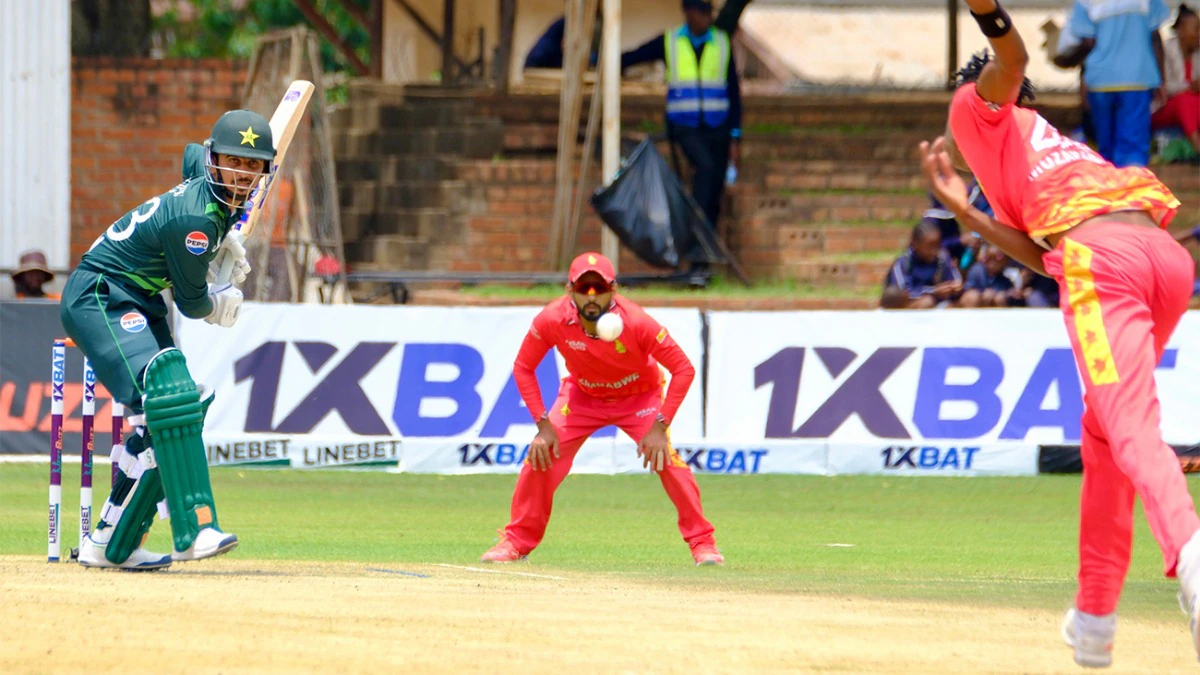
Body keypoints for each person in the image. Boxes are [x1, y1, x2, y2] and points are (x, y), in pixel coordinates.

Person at [918, 0, 1200, 666]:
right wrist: (969, 217)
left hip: (1103, 264)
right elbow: (1041, 252)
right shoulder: (1048, 150)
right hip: (1162, 259)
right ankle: (1094, 619)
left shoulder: (977, 110)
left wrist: (987, 11)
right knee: (1103, 432)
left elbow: (1011, 58)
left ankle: (1190, 552)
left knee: (1129, 428)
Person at [60, 110, 271, 570]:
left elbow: (190, 154)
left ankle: (110, 543)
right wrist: (219, 300)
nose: (243, 174)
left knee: (176, 407)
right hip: (100, 295)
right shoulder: (196, 221)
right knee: (167, 395)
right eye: (234, 162)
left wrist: (225, 242)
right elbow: (193, 304)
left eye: (253, 165)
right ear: (216, 161)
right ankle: (193, 530)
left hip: (139, 298)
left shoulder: (209, 188)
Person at [480, 252, 723, 566]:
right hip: (583, 396)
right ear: (570, 290)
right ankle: (516, 542)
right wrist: (543, 425)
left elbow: (683, 369)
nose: (592, 296)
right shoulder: (552, 319)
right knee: (540, 455)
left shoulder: (637, 322)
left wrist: (660, 427)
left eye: (600, 288)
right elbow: (523, 367)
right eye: (584, 289)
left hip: (639, 397)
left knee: (668, 462)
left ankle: (703, 543)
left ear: (614, 290)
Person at [621, 0, 742, 284]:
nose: (706, 18)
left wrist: (735, 136)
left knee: (713, 190)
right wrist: (599, 60)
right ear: (688, 13)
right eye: (701, 13)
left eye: (709, 13)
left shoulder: (721, 42)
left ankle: (702, 261)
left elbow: (734, 92)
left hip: (718, 127)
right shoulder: (671, 41)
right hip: (685, 126)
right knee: (706, 170)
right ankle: (694, 245)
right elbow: (634, 57)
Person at [1063, 0, 1171, 167]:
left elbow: (1088, 43)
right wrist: (1161, 80)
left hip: (1100, 81)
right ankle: (1132, 179)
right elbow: (1155, 36)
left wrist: (1080, 77)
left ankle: (1109, 180)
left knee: (1105, 146)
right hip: (1137, 78)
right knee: (1133, 148)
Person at [879, 221, 963, 309]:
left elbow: (956, 280)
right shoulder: (903, 263)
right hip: (908, 308)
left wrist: (954, 287)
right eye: (930, 247)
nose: (935, 251)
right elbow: (903, 293)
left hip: (938, 304)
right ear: (915, 244)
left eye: (937, 245)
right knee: (927, 302)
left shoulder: (942, 258)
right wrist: (933, 291)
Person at [1152, 5, 1200, 156]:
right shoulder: (1165, 51)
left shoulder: (1198, 54)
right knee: (1185, 101)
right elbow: (1163, 86)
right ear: (1181, 30)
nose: (1199, 34)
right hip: (1164, 106)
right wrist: (1190, 86)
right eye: (1196, 29)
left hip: (1191, 103)